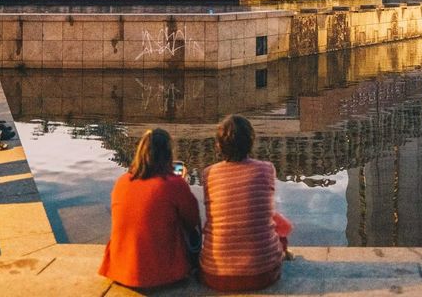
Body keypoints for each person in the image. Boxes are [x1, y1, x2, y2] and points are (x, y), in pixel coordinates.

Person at [98, 129, 200, 289]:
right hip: (164, 275)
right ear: (168, 154)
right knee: (192, 228)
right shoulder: (175, 184)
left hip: (120, 272)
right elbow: (193, 220)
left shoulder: (121, 182)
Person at [199, 115, 288, 292]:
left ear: (219, 145)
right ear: (251, 142)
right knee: (277, 223)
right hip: (263, 274)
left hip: (215, 276)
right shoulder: (266, 169)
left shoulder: (209, 174)